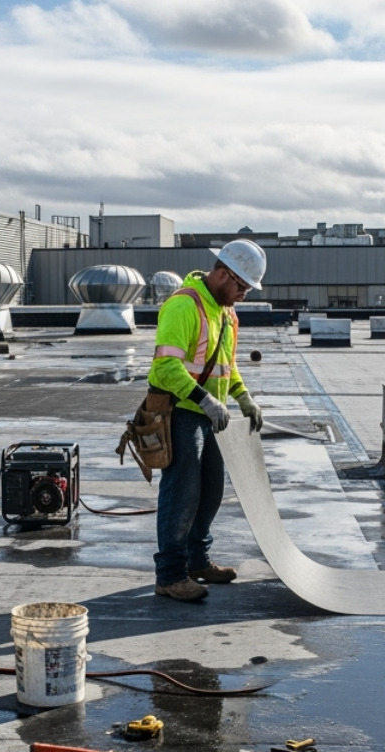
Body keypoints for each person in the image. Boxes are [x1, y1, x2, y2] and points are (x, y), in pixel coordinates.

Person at [147, 239, 268, 602]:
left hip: (211, 414)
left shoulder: (227, 314)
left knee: (211, 491)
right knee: (182, 492)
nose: (244, 295)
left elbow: (225, 366)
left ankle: (198, 561)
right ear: (223, 274)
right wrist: (204, 399)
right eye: (242, 287)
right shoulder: (184, 305)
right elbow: (165, 367)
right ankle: (170, 575)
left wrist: (243, 397)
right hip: (181, 411)